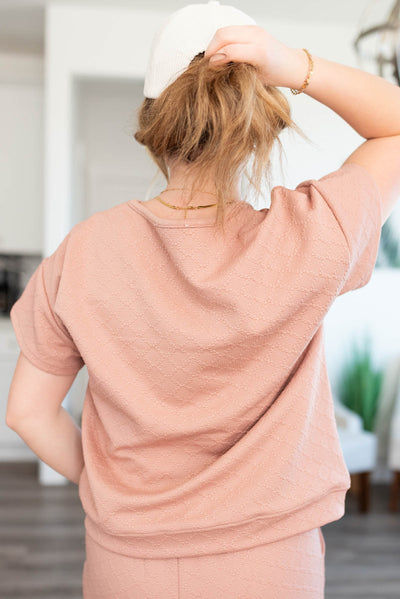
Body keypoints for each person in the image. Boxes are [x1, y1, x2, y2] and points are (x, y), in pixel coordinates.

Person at [5, 1, 400, 598]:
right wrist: (290, 64)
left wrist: (114, 486)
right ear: (257, 127)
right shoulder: (310, 234)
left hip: (127, 560)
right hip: (272, 564)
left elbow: (27, 414)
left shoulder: (83, 251)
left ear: (151, 126)